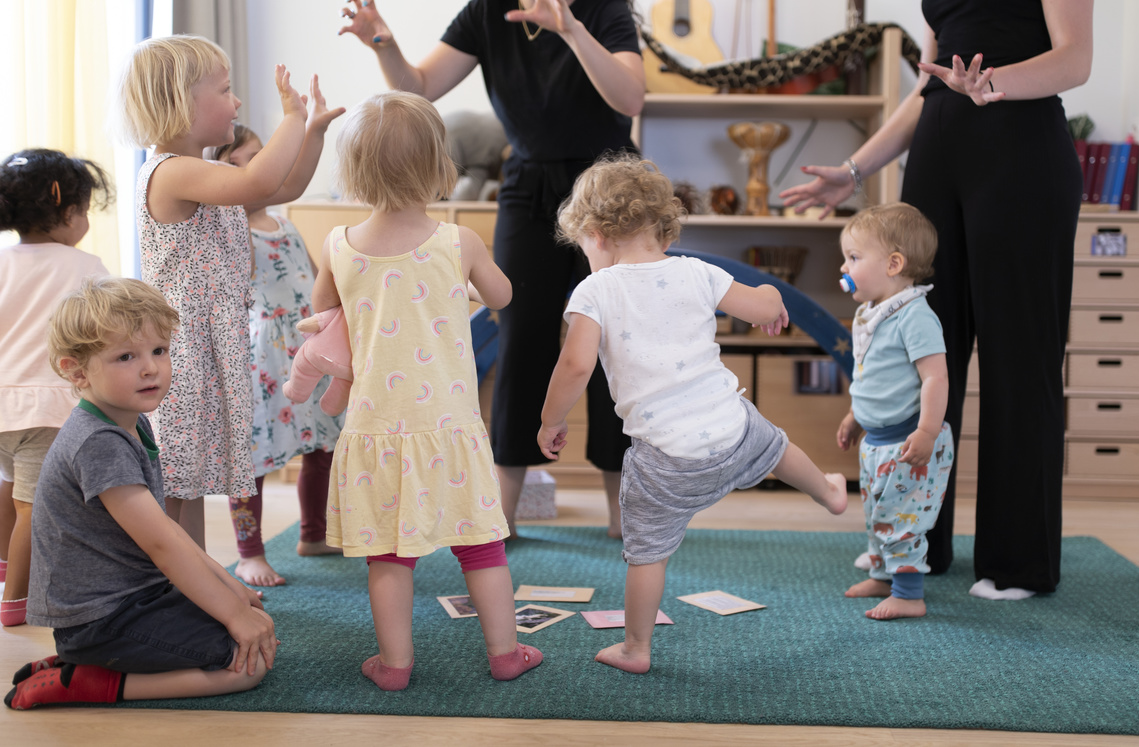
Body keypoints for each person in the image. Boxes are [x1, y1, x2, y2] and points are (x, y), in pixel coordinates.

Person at [780, 0, 1097, 600]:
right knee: (918, 347)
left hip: (1019, 158)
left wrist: (995, 87)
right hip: (937, 166)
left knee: (1019, 358)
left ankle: (1017, 561)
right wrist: (857, 169)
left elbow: (1074, 58)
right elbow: (927, 88)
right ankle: (914, 542)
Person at [338, 0, 645, 536]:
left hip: (609, 194)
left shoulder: (604, 5)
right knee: (523, 337)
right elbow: (417, 90)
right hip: (529, 187)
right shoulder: (485, 11)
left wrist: (568, 26)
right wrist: (383, 42)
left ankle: (626, 513)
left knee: (611, 339)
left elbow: (629, 98)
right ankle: (499, 515)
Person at [538, 157, 849, 674]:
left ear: (595, 235)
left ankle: (636, 648)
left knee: (646, 554)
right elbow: (764, 308)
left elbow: (574, 365)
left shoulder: (595, 290)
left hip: (667, 460)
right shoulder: (698, 271)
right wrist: (773, 299)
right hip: (732, 432)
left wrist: (552, 420)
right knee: (774, 443)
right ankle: (830, 492)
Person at [311, 91, 540, 690]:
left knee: (389, 557)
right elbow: (503, 296)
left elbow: (323, 313)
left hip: (375, 428)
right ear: (442, 166)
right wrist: (456, 287)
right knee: (482, 548)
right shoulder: (457, 242)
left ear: (353, 171)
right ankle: (505, 653)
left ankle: (394, 665)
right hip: (449, 429)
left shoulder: (338, 244)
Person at [5, 277, 276, 710]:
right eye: (126, 356)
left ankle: (86, 664)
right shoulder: (99, 442)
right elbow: (162, 544)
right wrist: (232, 612)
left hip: (131, 598)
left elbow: (164, 530)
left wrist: (231, 590)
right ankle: (86, 682)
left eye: (159, 350)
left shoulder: (129, 420)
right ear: (76, 370)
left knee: (254, 623)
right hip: (101, 619)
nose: (150, 368)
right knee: (248, 666)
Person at [117, 33, 343, 549]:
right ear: (180, 103)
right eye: (225, 89)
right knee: (178, 480)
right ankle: (175, 585)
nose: (237, 102)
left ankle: (192, 582)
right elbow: (259, 183)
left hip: (212, 339)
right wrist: (290, 117)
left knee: (190, 484)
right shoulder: (171, 173)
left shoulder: (208, 173)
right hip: (183, 347)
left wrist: (312, 133)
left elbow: (284, 187)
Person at [206, 125, 345, 587]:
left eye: (258, 158)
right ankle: (249, 553)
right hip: (262, 353)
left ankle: (313, 533)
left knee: (322, 442)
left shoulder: (285, 222)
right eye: (237, 164)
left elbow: (313, 277)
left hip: (307, 343)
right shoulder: (230, 228)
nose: (253, 172)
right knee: (255, 456)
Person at [0, 149, 112, 627]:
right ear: (66, 210)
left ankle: (7, 570)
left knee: (7, 491)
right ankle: (16, 601)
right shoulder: (82, 266)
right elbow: (110, 326)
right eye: (85, 209)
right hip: (46, 406)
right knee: (32, 506)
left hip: (3, 403)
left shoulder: (3, 263)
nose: (86, 219)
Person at [835, 204, 953, 620]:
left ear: (894, 264)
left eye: (853, 257)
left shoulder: (914, 316)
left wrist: (926, 431)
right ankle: (884, 576)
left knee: (901, 519)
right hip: (877, 440)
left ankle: (908, 594)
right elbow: (871, 375)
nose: (844, 267)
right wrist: (855, 415)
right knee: (876, 514)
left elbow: (935, 378)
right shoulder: (870, 314)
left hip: (908, 440)